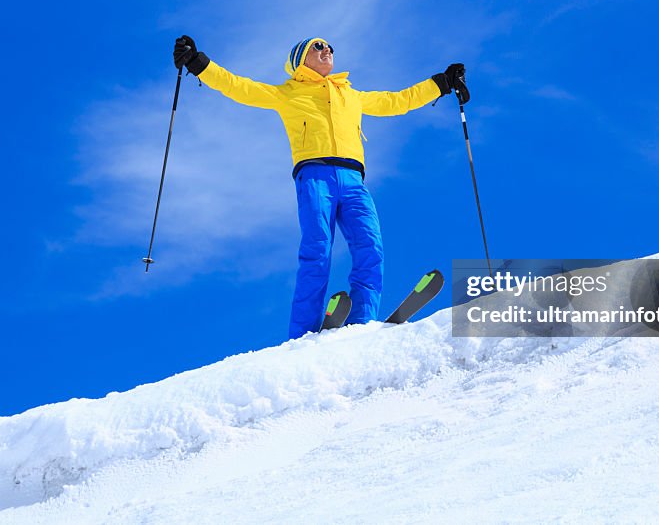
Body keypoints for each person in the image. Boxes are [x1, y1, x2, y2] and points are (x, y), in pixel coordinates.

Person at [173, 34, 468, 339]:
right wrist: (198, 63)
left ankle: (362, 320)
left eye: (329, 47)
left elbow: (398, 100)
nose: (327, 50)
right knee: (316, 250)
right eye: (318, 46)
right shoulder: (288, 93)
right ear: (302, 58)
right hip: (314, 176)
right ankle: (302, 334)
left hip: (353, 180)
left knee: (371, 247)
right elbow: (239, 86)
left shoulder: (351, 95)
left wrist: (442, 83)